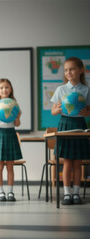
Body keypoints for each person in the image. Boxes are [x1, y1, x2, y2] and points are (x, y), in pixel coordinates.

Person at [50, 57, 90, 205]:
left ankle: (76, 193)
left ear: (81, 70)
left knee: (78, 162)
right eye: (66, 70)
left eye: (72, 69)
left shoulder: (86, 90)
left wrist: (87, 112)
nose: (68, 72)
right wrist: (58, 109)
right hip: (65, 124)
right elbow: (53, 111)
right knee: (67, 162)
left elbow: (88, 110)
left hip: (80, 124)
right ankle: (67, 194)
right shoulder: (61, 89)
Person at [0, 78, 22, 202]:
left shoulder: (14, 104)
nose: (4, 90)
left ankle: (11, 192)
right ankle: (1, 192)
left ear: (11, 89)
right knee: (0, 166)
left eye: (7, 87)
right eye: (1, 88)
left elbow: (17, 124)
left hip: (11, 134)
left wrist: (17, 116)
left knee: (10, 167)